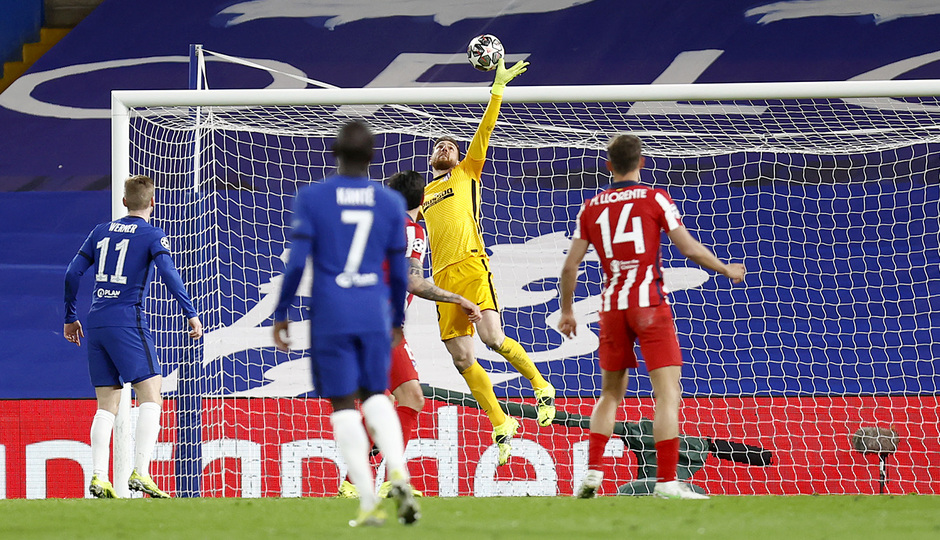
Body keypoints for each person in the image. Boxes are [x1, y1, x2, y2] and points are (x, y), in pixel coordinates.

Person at [557, 134, 746, 500]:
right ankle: (666, 482)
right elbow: (688, 248)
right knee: (667, 393)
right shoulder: (655, 197)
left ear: (608, 165)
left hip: (612, 309)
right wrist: (725, 269)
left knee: (610, 394)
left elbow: (569, 267)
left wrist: (567, 311)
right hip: (649, 306)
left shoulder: (591, 207)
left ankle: (593, 473)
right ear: (641, 162)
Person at [272, 121, 419, 527]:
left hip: (332, 312)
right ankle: (398, 472)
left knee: (343, 405)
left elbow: (296, 263)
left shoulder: (314, 198)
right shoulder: (389, 203)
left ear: (334, 153)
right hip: (374, 311)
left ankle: (368, 501)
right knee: (376, 394)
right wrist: (397, 318)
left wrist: (281, 312)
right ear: (372, 156)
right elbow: (399, 272)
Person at [422, 58, 555, 467]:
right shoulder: (422, 195)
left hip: (471, 266)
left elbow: (485, 129)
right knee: (462, 358)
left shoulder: (467, 172)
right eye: (439, 146)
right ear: (430, 159)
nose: (446, 148)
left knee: (492, 338)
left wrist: (496, 90)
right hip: (441, 281)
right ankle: (501, 423)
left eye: (452, 146)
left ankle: (541, 386)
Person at [338, 170, 483, 499]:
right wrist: (458, 299)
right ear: (424, 199)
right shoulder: (410, 229)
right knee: (411, 398)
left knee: (386, 402)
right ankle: (388, 482)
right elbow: (413, 281)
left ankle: (353, 483)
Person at [63, 174, 204, 499]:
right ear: (152, 202)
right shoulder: (152, 234)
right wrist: (190, 312)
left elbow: (72, 272)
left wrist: (70, 317)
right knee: (151, 395)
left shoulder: (100, 231)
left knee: (106, 405)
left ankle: (99, 477)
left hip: (97, 321)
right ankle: (141, 471)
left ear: (124, 201)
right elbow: (168, 272)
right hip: (127, 321)